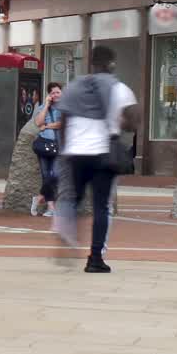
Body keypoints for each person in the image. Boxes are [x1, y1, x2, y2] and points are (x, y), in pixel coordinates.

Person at [54, 45, 139, 273]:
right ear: (111, 64)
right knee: (102, 207)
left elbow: (63, 121)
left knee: (72, 198)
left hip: (75, 152)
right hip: (103, 154)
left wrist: (65, 150)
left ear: (91, 63)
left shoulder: (73, 86)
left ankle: (65, 230)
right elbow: (133, 120)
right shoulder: (119, 88)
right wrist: (120, 122)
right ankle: (95, 258)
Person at [31, 82, 63, 217]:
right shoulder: (43, 107)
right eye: (52, 93)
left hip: (59, 146)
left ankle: (38, 198)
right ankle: (50, 207)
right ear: (49, 95)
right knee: (45, 176)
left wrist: (48, 126)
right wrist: (46, 105)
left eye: (57, 92)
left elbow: (63, 124)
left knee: (54, 175)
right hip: (44, 145)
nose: (55, 95)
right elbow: (38, 123)